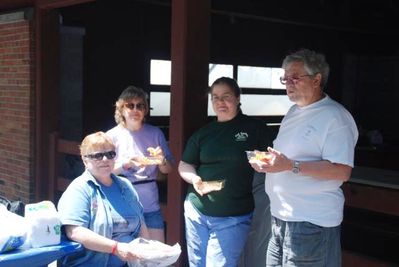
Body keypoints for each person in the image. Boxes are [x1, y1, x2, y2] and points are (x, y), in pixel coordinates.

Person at [250, 49, 358, 266]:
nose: (288, 83)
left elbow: (341, 171)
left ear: (317, 79)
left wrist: (290, 165)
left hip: (310, 223)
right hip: (280, 218)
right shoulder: (293, 112)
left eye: (295, 78)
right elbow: (286, 160)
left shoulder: (335, 116)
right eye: (285, 78)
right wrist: (272, 163)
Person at [178, 77, 271, 267]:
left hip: (233, 215)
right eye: (215, 97)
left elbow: (273, 160)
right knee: (197, 264)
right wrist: (195, 179)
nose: (220, 102)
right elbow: (185, 165)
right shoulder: (204, 133)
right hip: (197, 210)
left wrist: (263, 163)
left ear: (237, 98)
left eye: (226, 96)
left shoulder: (255, 129)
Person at [57, 131, 150, 266]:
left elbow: (141, 225)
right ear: (84, 159)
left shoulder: (126, 186)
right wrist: (115, 248)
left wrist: (148, 254)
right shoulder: (79, 189)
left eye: (110, 154)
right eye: (98, 156)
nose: (105, 159)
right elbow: (75, 231)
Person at [107, 85, 174, 243]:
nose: (135, 109)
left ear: (145, 110)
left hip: (150, 205)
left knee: (156, 255)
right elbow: (103, 172)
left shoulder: (155, 133)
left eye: (140, 105)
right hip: (121, 205)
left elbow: (168, 168)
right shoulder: (111, 136)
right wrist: (125, 164)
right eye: (130, 105)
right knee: (125, 255)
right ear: (121, 108)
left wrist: (161, 160)